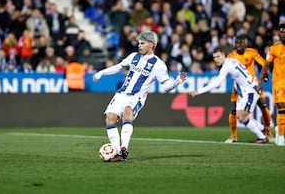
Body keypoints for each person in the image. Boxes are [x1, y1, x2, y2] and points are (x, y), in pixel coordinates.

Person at [93, 31, 187, 161]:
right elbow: (119, 67)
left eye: (142, 43)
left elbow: (165, 86)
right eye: (138, 43)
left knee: (127, 113)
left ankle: (124, 149)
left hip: (136, 97)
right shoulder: (133, 56)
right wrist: (101, 73)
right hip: (121, 93)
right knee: (110, 118)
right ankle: (116, 150)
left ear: (152, 45)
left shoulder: (158, 65)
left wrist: (176, 81)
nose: (139, 45)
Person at [190, 47, 267, 144]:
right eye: (214, 57)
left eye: (218, 56)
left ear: (223, 55)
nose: (216, 59)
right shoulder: (232, 61)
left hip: (250, 91)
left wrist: (199, 91)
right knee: (240, 116)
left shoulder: (226, 67)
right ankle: (262, 129)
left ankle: (261, 137)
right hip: (245, 91)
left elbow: (216, 84)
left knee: (243, 118)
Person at [225, 36, 274, 143]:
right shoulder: (231, 56)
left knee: (263, 106)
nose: (239, 45)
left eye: (241, 43)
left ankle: (268, 132)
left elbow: (263, 63)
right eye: (237, 43)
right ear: (235, 44)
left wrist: (265, 74)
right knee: (234, 110)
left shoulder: (251, 52)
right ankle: (233, 136)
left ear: (245, 44)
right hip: (238, 86)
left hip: (252, 85)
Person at [258, 23, 285, 146]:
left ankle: (279, 127)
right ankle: (280, 136)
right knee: (281, 106)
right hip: (279, 82)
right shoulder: (274, 48)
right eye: (281, 31)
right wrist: (259, 81)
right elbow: (266, 65)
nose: (283, 33)